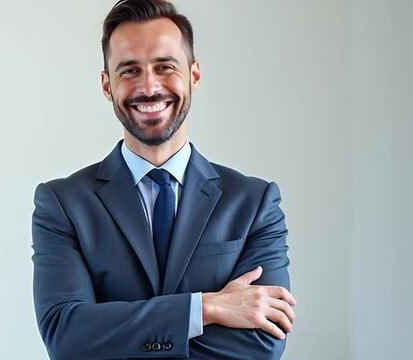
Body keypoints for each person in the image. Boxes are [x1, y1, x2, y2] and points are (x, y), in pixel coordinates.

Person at [30, 1, 297, 359]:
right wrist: (204, 308)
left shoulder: (254, 202)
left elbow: (262, 346)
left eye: (164, 66)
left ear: (194, 76)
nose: (149, 86)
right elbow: (67, 339)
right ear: (107, 86)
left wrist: (116, 334)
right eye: (129, 71)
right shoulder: (63, 205)